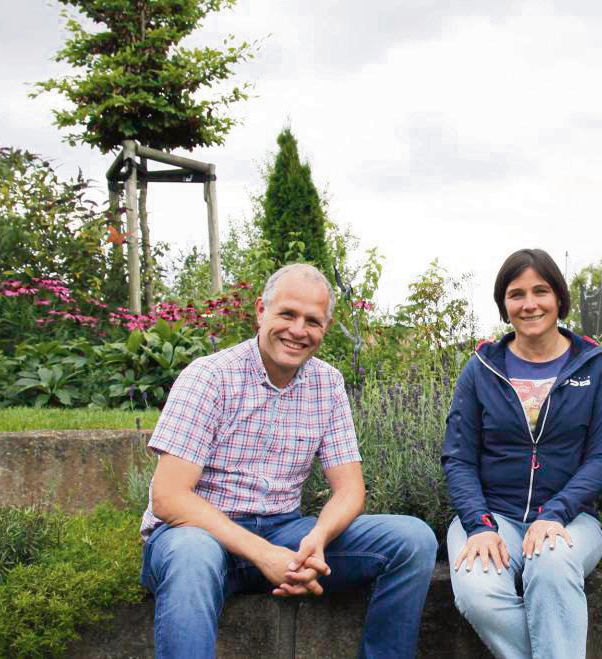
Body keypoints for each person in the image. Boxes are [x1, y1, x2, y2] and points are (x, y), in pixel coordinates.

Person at [139, 263, 437, 659]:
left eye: (312, 321)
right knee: (193, 556)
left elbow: (350, 490)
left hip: (285, 535)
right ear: (261, 310)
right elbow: (170, 498)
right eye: (288, 314)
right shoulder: (210, 377)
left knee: (413, 540)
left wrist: (317, 540)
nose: (298, 330)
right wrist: (264, 555)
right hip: (198, 538)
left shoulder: (327, 384)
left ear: (324, 330)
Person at [442, 248, 602, 659]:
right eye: (516, 294)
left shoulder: (596, 366)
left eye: (540, 291)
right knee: (476, 589)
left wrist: (555, 512)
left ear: (559, 298)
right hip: (493, 516)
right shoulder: (480, 369)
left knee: (552, 562)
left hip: (571, 519)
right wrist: (479, 524)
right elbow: (458, 457)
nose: (529, 304)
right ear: (504, 305)